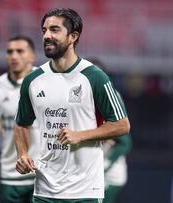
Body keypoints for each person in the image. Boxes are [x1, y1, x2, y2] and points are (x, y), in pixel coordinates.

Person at [14, 8, 131, 203]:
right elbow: (21, 124)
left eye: (54, 30)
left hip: (84, 191)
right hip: (44, 189)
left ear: (73, 36)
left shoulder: (95, 77)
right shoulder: (33, 80)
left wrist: (80, 135)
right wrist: (23, 154)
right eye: (44, 30)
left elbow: (122, 125)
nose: (47, 36)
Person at [0, 35, 40, 203]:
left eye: (20, 51)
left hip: (44, 175)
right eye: (10, 52)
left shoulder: (46, 81)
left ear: (32, 56)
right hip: (11, 175)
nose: (14, 56)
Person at [88, 58, 133, 203]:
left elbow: (124, 142)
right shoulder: (77, 98)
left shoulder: (112, 98)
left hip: (109, 173)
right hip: (87, 170)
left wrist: (105, 165)